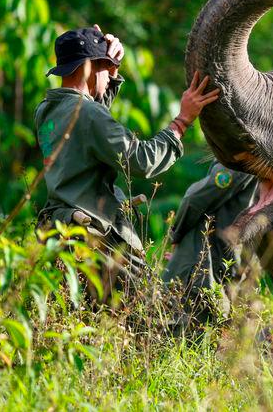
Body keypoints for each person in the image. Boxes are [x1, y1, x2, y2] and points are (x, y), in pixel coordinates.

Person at [35, 25, 219, 303]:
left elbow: (92, 125)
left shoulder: (47, 110)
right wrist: (182, 122)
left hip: (58, 232)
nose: (109, 76)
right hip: (94, 240)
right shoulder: (87, 114)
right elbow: (141, 161)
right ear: (89, 67)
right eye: (104, 68)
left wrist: (109, 70)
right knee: (150, 317)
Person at [162, 161, 258, 327]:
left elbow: (195, 198)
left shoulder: (240, 159)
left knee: (178, 329)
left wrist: (176, 236)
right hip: (223, 267)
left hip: (206, 266)